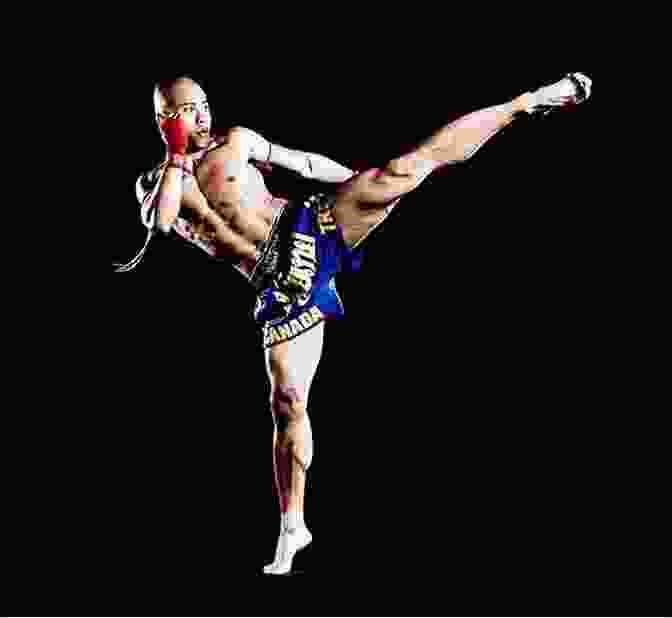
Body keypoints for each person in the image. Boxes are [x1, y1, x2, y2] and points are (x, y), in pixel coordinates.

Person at [115, 72, 592, 574]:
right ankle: (292, 526)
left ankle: (526, 102)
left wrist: (358, 182)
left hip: (306, 228)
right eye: (189, 109)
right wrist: (174, 155)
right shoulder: (157, 182)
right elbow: (164, 222)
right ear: (165, 118)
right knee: (287, 402)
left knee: (406, 169)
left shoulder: (236, 141)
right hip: (280, 286)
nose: (204, 114)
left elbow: (300, 162)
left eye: (205, 103)